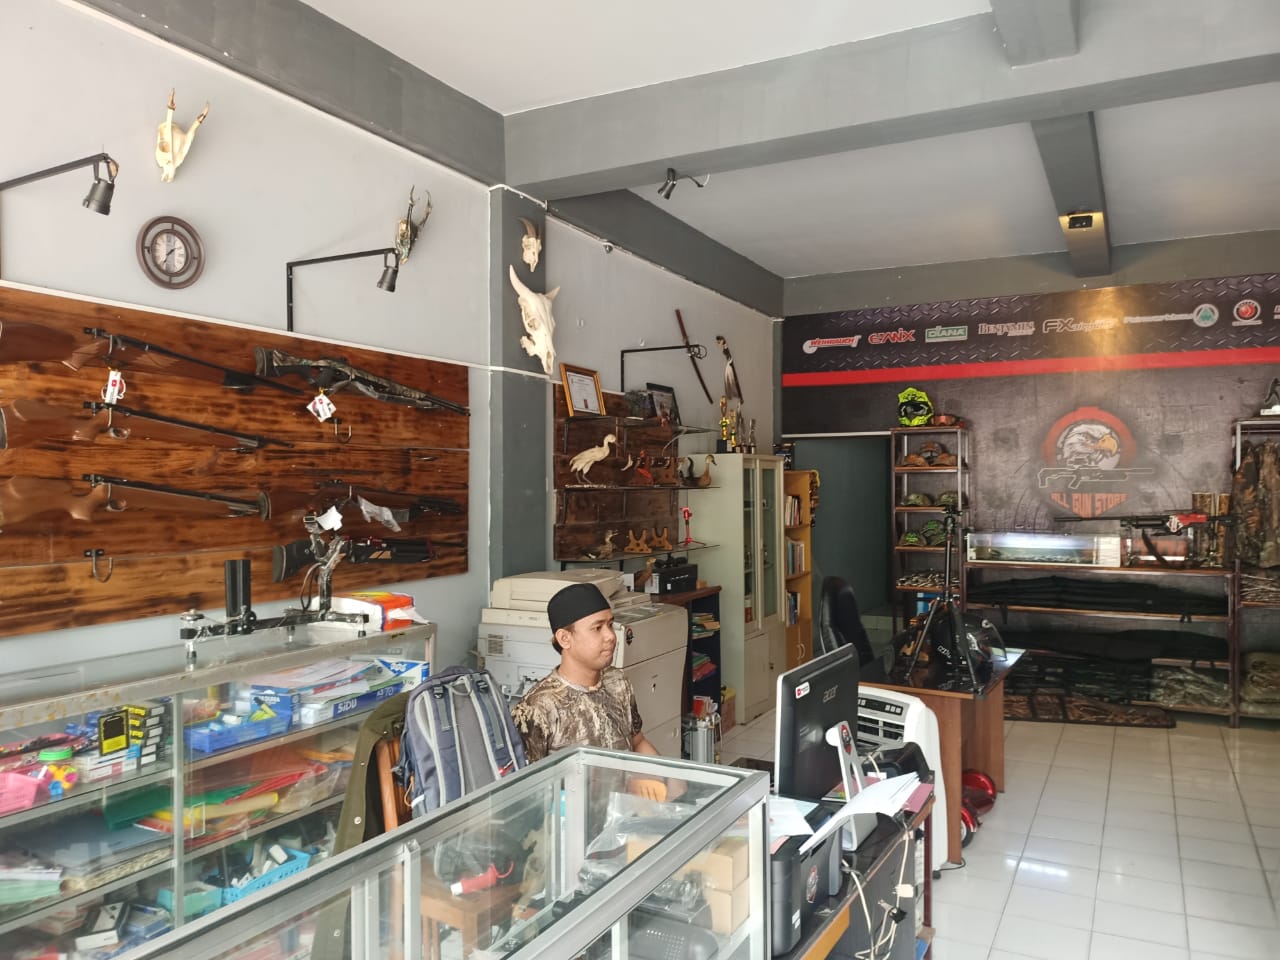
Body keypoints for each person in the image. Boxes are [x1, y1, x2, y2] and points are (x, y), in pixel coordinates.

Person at [511, 582, 659, 762]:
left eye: (610, 624)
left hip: (623, 781)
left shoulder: (617, 681)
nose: (611, 636)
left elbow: (638, 742)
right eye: (597, 628)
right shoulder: (537, 708)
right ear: (565, 638)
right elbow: (528, 777)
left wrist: (668, 774)